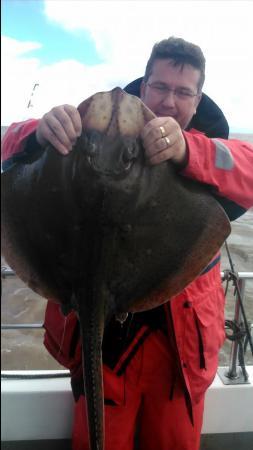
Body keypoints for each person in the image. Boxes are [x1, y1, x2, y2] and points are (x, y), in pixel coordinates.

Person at [2, 37, 253, 450]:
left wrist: (187, 149)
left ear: (197, 99)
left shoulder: (207, 153)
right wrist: (38, 132)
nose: (169, 100)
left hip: (177, 360)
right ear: (144, 86)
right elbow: (9, 148)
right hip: (100, 350)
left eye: (183, 91)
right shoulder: (82, 135)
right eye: (159, 87)